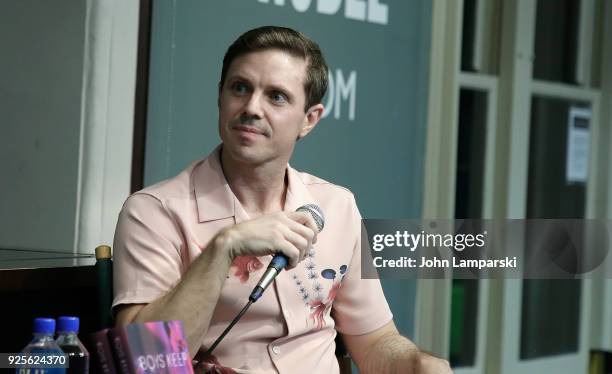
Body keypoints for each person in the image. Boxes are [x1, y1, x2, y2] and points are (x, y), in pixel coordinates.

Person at [112, 26, 452, 374]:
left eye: (276, 96)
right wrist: (223, 248)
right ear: (220, 96)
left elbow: (376, 342)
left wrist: (416, 363)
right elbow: (148, 361)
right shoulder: (153, 211)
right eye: (240, 88)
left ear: (309, 120)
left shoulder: (337, 206)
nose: (251, 108)